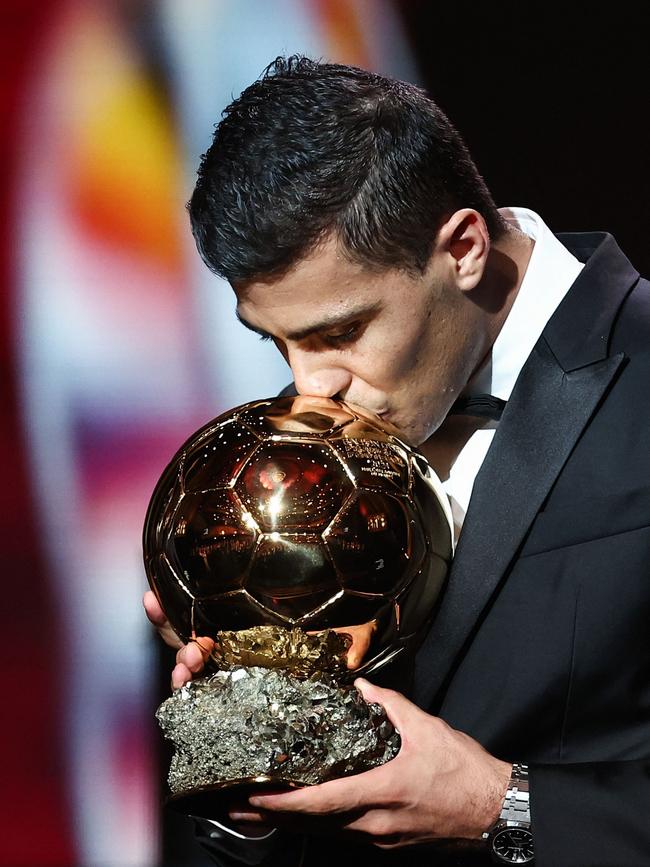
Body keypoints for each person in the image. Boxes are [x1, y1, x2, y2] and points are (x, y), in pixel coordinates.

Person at [143, 56, 650, 866]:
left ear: (463, 248)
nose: (310, 389)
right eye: (276, 341)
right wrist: (243, 764)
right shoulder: (258, 488)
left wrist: (502, 805)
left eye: (340, 332)